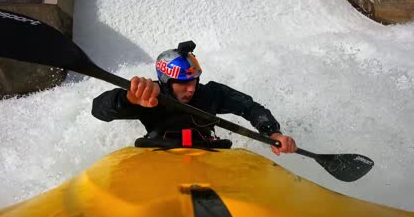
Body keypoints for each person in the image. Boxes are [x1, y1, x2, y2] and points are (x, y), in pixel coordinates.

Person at [92, 41, 296, 155]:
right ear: (166, 81)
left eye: (194, 81)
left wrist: (273, 132)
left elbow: (249, 107)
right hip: (159, 157)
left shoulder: (210, 94)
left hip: (209, 153)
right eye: (183, 83)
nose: (191, 89)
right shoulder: (149, 96)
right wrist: (129, 99)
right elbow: (98, 109)